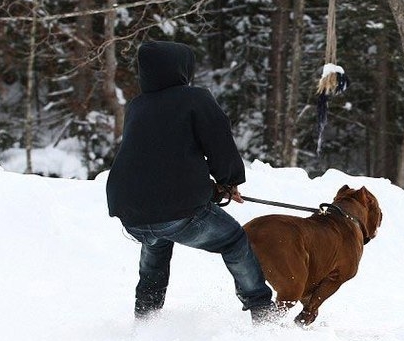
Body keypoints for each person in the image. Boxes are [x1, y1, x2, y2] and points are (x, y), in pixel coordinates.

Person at [106, 41, 276, 324]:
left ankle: (146, 320)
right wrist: (229, 181)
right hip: (174, 209)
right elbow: (219, 142)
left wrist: (211, 189)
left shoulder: (137, 106)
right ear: (181, 68)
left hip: (131, 212)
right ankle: (262, 311)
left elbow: (159, 160)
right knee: (233, 240)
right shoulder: (195, 98)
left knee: (157, 244)